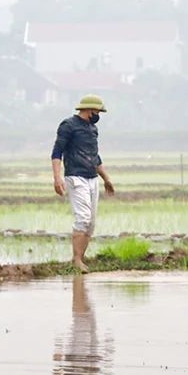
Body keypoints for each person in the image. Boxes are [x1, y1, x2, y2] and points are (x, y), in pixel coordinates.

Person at [51, 94, 116, 273]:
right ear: (89, 110)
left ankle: (79, 258)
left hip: (92, 178)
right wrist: (57, 177)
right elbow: (57, 152)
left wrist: (106, 178)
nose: (98, 115)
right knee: (83, 218)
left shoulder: (92, 129)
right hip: (75, 176)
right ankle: (77, 259)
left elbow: (95, 156)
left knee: (91, 223)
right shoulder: (68, 126)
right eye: (97, 112)